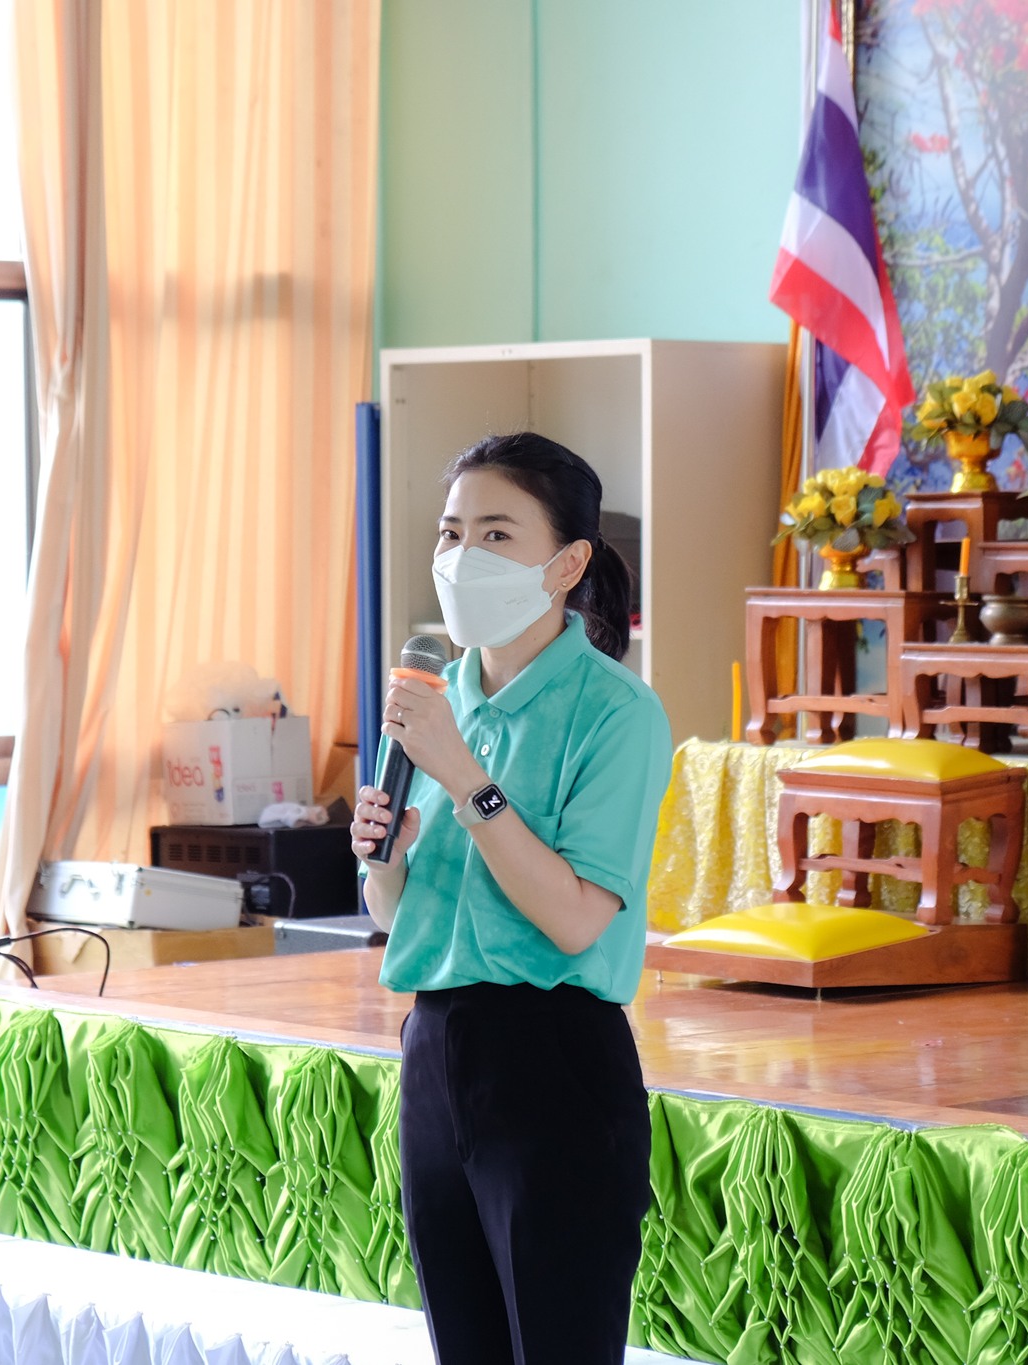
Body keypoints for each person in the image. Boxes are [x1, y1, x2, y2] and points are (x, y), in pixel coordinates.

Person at [350, 431, 672, 1365]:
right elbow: (396, 918)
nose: (461, 559)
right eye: (451, 533)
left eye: (496, 534)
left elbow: (574, 918)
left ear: (568, 562)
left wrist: (465, 778)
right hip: (438, 1052)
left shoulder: (616, 713)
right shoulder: (436, 696)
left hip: (555, 1061)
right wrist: (384, 860)